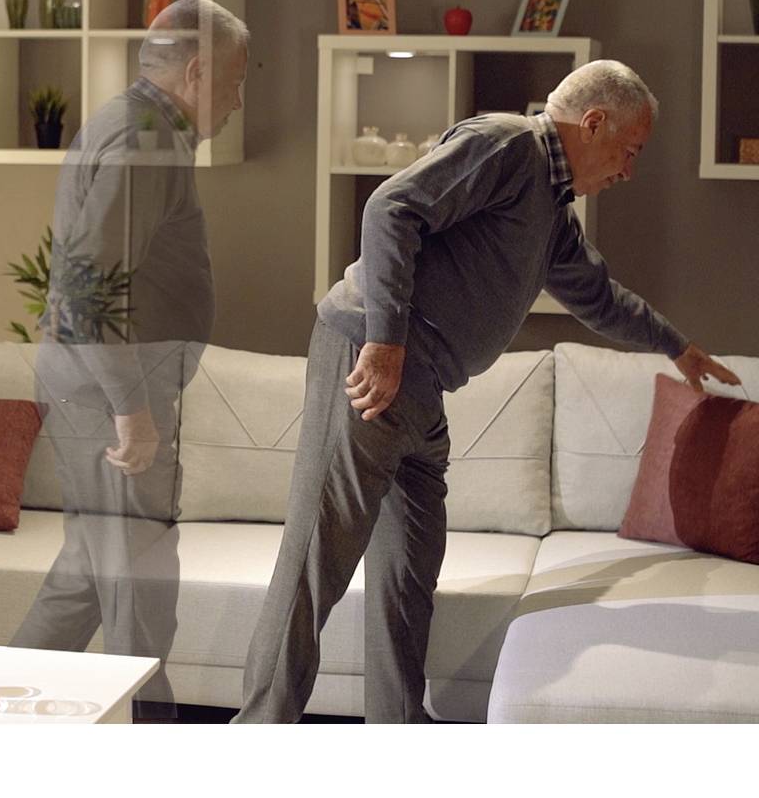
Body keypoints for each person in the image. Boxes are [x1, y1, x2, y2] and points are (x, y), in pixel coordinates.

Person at [233, 59, 740, 724]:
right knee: (314, 566)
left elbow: (595, 295)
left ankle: (397, 736)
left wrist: (673, 343)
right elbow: (391, 208)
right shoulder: (508, 146)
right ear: (593, 124)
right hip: (372, 366)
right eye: (630, 150)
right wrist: (385, 343)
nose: (628, 170)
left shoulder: (553, 214)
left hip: (423, 392)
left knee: (407, 579)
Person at [11, 0, 248, 717]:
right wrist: (132, 412)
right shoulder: (147, 139)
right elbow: (86, 293)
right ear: (199, 70)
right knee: (139, 599)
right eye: (235, 81)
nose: (238, 101)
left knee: (86, 578)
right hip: (109, 399)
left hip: (92, 393)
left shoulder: (131, 122)